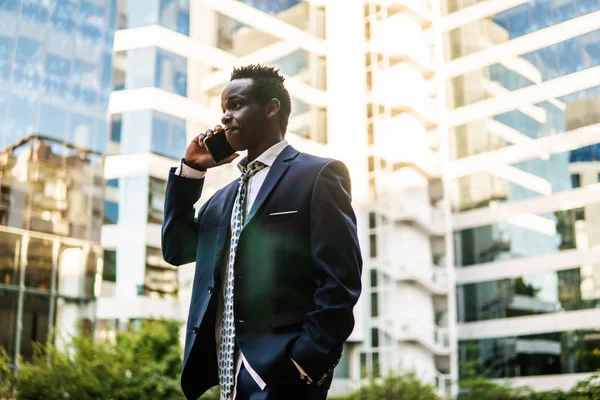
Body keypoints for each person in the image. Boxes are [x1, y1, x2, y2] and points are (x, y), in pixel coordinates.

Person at [162, 64, 362, 400]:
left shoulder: (318, 176)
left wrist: (304, 363)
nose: (225, 118)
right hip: (226, 376)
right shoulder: (221, 201)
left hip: (285, 374)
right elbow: (177, 249)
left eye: (236, 105)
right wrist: (191, 171)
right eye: (223, 109)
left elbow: (340, 281)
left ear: (272, 108)